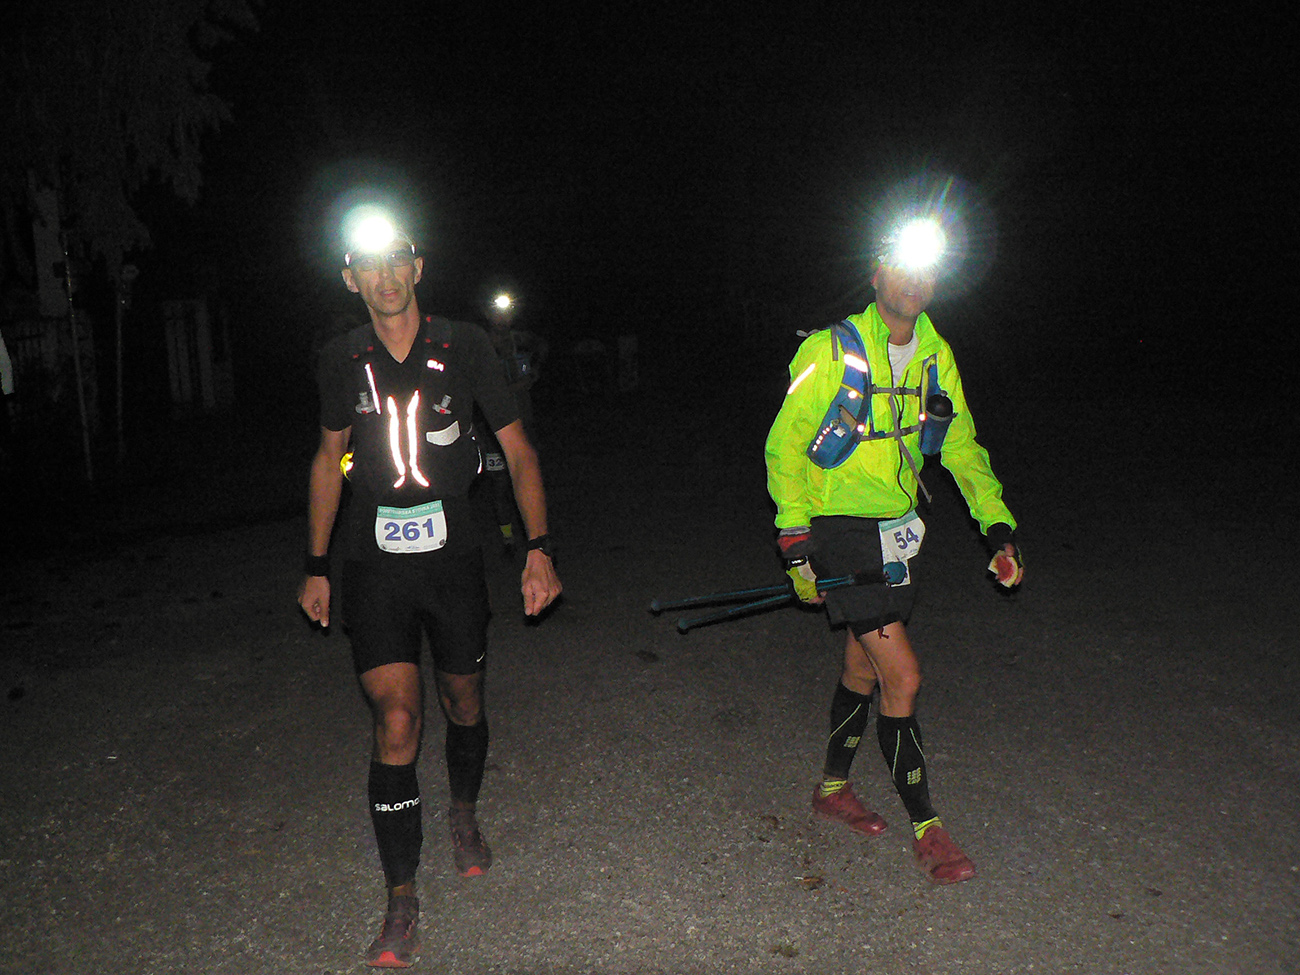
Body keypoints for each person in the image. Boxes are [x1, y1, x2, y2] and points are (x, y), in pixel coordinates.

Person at [297, 213, 562, 967]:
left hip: (454, 555)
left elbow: (518, 450)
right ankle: (401, 897)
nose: (385, 276)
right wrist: (316, 563)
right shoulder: (341, 358)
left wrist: (538, 550)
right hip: (373, 559)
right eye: (368, 264)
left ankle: (464, 811)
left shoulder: (465, 345)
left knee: (462, 702)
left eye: (397, 261)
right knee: (397, 719)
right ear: (350, 278)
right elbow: (328, 460)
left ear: (417, 267)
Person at [764, 215, 1023, 886]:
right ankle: (928, 828)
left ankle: (832, 790)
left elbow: (960, 445)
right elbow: (784, 446)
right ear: (876, 273)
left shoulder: (936, 354)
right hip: (838, 527)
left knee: (863, 666)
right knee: (902, 675)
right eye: (900, 265)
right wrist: (795, 541)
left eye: (926, 268)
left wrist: (996, 526)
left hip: (898, 529)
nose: (913, 279)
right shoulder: (829, 349)